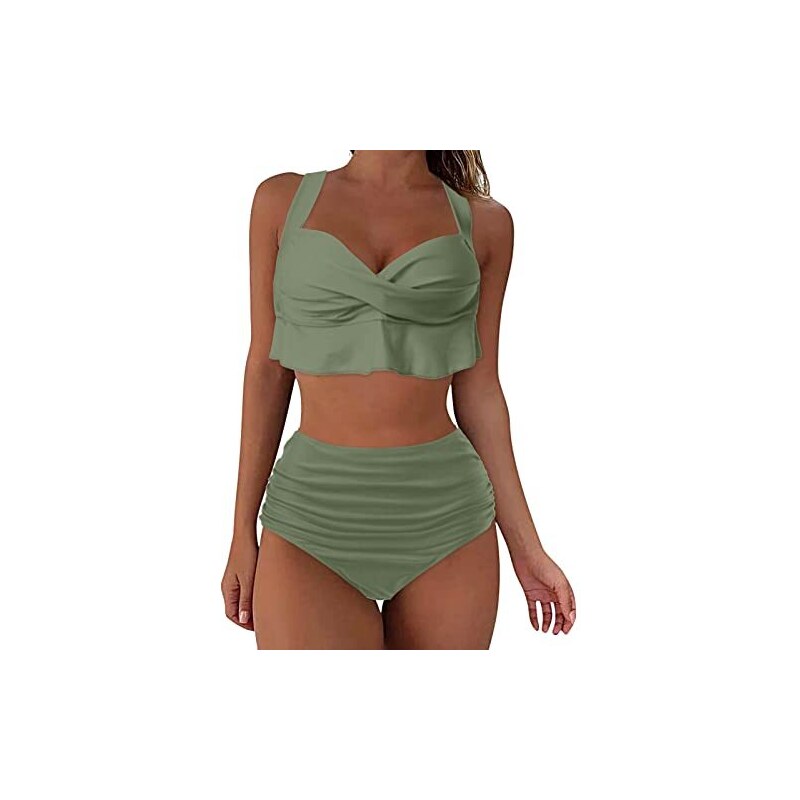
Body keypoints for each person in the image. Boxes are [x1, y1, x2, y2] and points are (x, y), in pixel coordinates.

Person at [222, 150, 576, 649]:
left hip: (450, 520)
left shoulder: (485, 224)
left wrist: (527, 549)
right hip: (310, 519)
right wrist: (241, 530)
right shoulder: (280, 202)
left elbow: (480, 392)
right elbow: (265, 371)